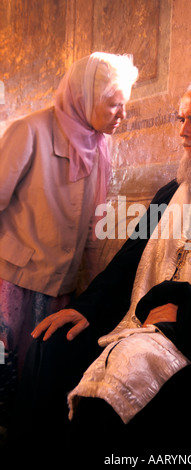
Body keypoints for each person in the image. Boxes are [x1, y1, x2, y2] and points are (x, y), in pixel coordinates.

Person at [8, 78, 191, 458]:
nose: (182, 131)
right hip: (140, 322)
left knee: (121, 381)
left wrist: (187, 313)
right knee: (53, 347)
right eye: (180, 119)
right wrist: (86, 307)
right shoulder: (169, 193)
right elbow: (128, 260)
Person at [0, 52, 138, 437]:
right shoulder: (30, 131)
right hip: (14, 283)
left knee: (34, 387)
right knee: (3, 376)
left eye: (125, 104)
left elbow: (95, 229)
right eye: (113, 104)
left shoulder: (100, 147)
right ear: (84, 96)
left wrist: (91, 297)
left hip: (61, 289)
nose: (121, 114)